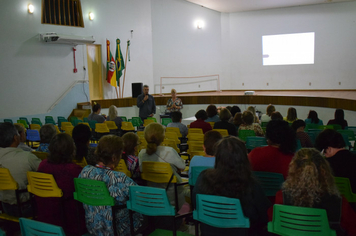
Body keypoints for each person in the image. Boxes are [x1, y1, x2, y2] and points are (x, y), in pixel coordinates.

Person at [192, 136, 271, 235]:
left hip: (210, 231)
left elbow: (196, 203)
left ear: (218, 157)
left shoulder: (203, 177)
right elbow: (264, 215)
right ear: (244, 157)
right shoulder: (251, 184)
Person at [269, 148, 356, 235]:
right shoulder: (339, 203)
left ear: (293, 170)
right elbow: (353, 229)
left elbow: (272, 220)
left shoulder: (281, 196)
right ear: (324, 171)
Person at [79, 135, 143, 236]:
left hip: (93, 226)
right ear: (114, 158)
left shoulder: (85, 172)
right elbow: (141, 198)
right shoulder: (120, 178)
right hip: (118, 229)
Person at [36, 133, 86, 235]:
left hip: (45, 215)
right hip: (70, 221)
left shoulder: (43, 165)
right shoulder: (74, 170)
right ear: (71, 149)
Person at [138, 123, 186, 209]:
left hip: (152, 196)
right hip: (172, 195)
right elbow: (182, 166)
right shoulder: (169, 151)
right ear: (163, 137)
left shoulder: (142, 153)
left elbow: (141, 170)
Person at [0, 123, 41, 217]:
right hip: (25, 207)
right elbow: (45, 172)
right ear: (15, 138)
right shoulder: (27, 157)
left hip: (4, 206)